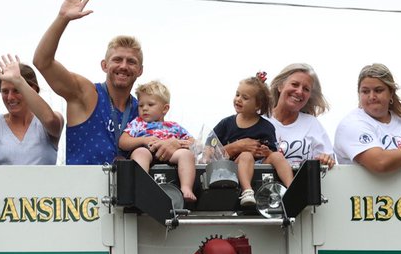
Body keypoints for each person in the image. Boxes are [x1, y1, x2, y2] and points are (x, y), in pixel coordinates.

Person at [33, 0, 142, 166]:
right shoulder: (86, 93)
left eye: (131, 62)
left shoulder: (144, 111)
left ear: (140, 70)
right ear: (104, 65)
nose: (123, 66)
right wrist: (62, 19)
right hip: (83, 192)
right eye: (117, 60)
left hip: (128, 193)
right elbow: (42, 62)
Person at [211, 74, 294, 206]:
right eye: (237, 94)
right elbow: (209, 150)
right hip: (235, 165)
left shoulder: (266, 127)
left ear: (258, 105)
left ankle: (292, 189)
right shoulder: (226, 123)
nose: (238, 99)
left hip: (260, 163)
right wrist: (236, 147)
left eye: (245, 98)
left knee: (277, 156)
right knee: (246, 155)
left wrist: (267, 152)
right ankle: (247, 191)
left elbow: (271, 150)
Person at [335, 64, 401, 170]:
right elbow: (380, 162)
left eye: (378, 90)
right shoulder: (352, 124)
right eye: (365, 91)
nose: (372, 97)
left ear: (391, 93)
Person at [118, 80, 197, 202]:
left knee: (186, 155)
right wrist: (143, 140)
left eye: (150, 105)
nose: (144, 109)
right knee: (139, 153)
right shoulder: (138, 123)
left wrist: (180, 143)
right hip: (147, 151)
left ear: (165, 109)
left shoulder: (173, 126)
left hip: (170, 154)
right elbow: (123, 141)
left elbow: (192, 141)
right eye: (141, 105)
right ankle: (141, 187)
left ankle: (186, 188)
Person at [0, 54, 63, 165]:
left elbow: (50, 120)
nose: (10, 97)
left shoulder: (47, 123)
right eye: (5, 91)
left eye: (17, 90)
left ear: (33, 90)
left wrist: (19, 81)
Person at [265, 63, 336, 168]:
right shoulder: (260, 119)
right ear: (280, 86)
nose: (299, 91)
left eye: (306, 89)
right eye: (294, 84)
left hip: (303, 184)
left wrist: (326, 160)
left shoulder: (312, 124)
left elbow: (329, 163)